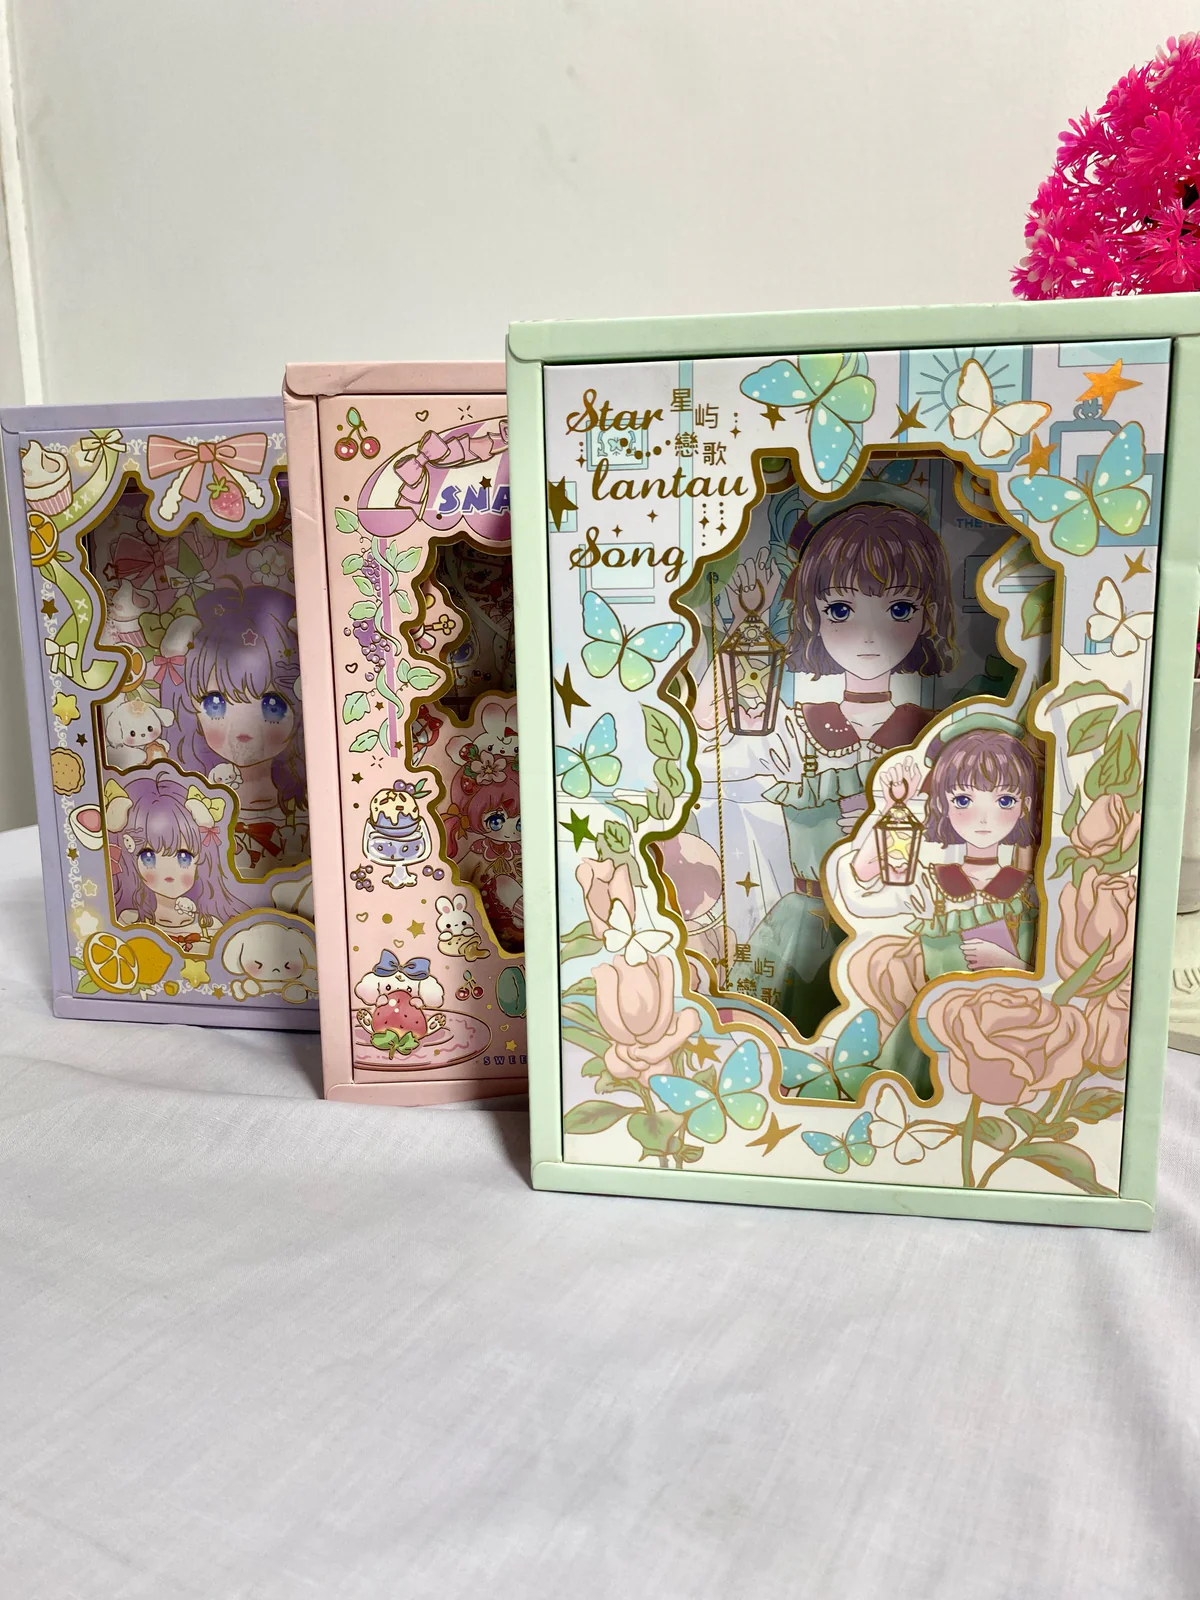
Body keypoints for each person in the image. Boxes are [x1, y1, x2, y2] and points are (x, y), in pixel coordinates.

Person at [705, 500, 957, 1038]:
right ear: (813, 617)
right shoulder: (796, 722)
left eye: (898, 609)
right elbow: (711, 739)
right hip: (806, 918)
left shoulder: (932, 733)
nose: (868, 636)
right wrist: (749, 621)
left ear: (927, 614)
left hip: (892, 924)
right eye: (841, 609)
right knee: (775, 1040)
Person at [838, 718, 1041, 1096]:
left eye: (1004, 801)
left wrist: (1008, 964)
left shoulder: (1028, 891)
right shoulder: (933, 883)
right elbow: (861, 880)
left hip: (1006, 1030)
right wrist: (891, 807)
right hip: (932, 1028)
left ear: (1024, 805)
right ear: (944, 804)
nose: (984, 818)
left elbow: (1045, 968)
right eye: (964, 800)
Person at [164, 586, 308, 876]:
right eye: (215, 704)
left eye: (272, 705)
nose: (243, 730)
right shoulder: (200, 800)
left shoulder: (301, 802)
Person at [109, 772, 246, 954]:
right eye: (149, 857)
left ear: (200, 861)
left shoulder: (212, 926)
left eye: (183, 857)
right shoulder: (129, 921)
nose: (168, 871)